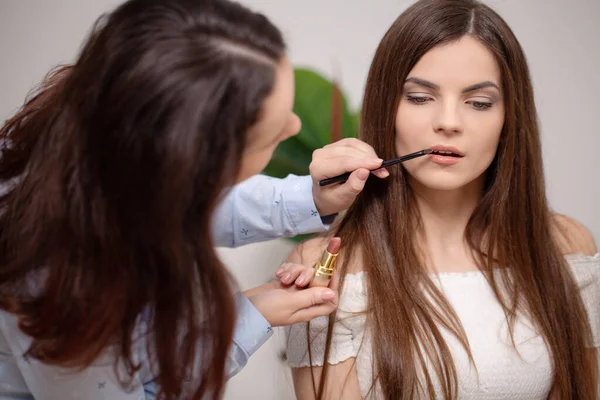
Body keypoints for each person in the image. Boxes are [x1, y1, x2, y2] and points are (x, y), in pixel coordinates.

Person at [0, 0, 389, 399]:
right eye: (272, 136)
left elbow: (208, 205)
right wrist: (246, 319)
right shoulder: (60, 280)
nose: (295, 127)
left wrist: (314, 196)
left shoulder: (121, 155)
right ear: (197, 166)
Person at [285, 0, 599, 399]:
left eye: (479, 103)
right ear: (387, 108)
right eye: (419, 97)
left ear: (508, 121)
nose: (449, 122)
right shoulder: (326, 269)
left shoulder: (567, 248)